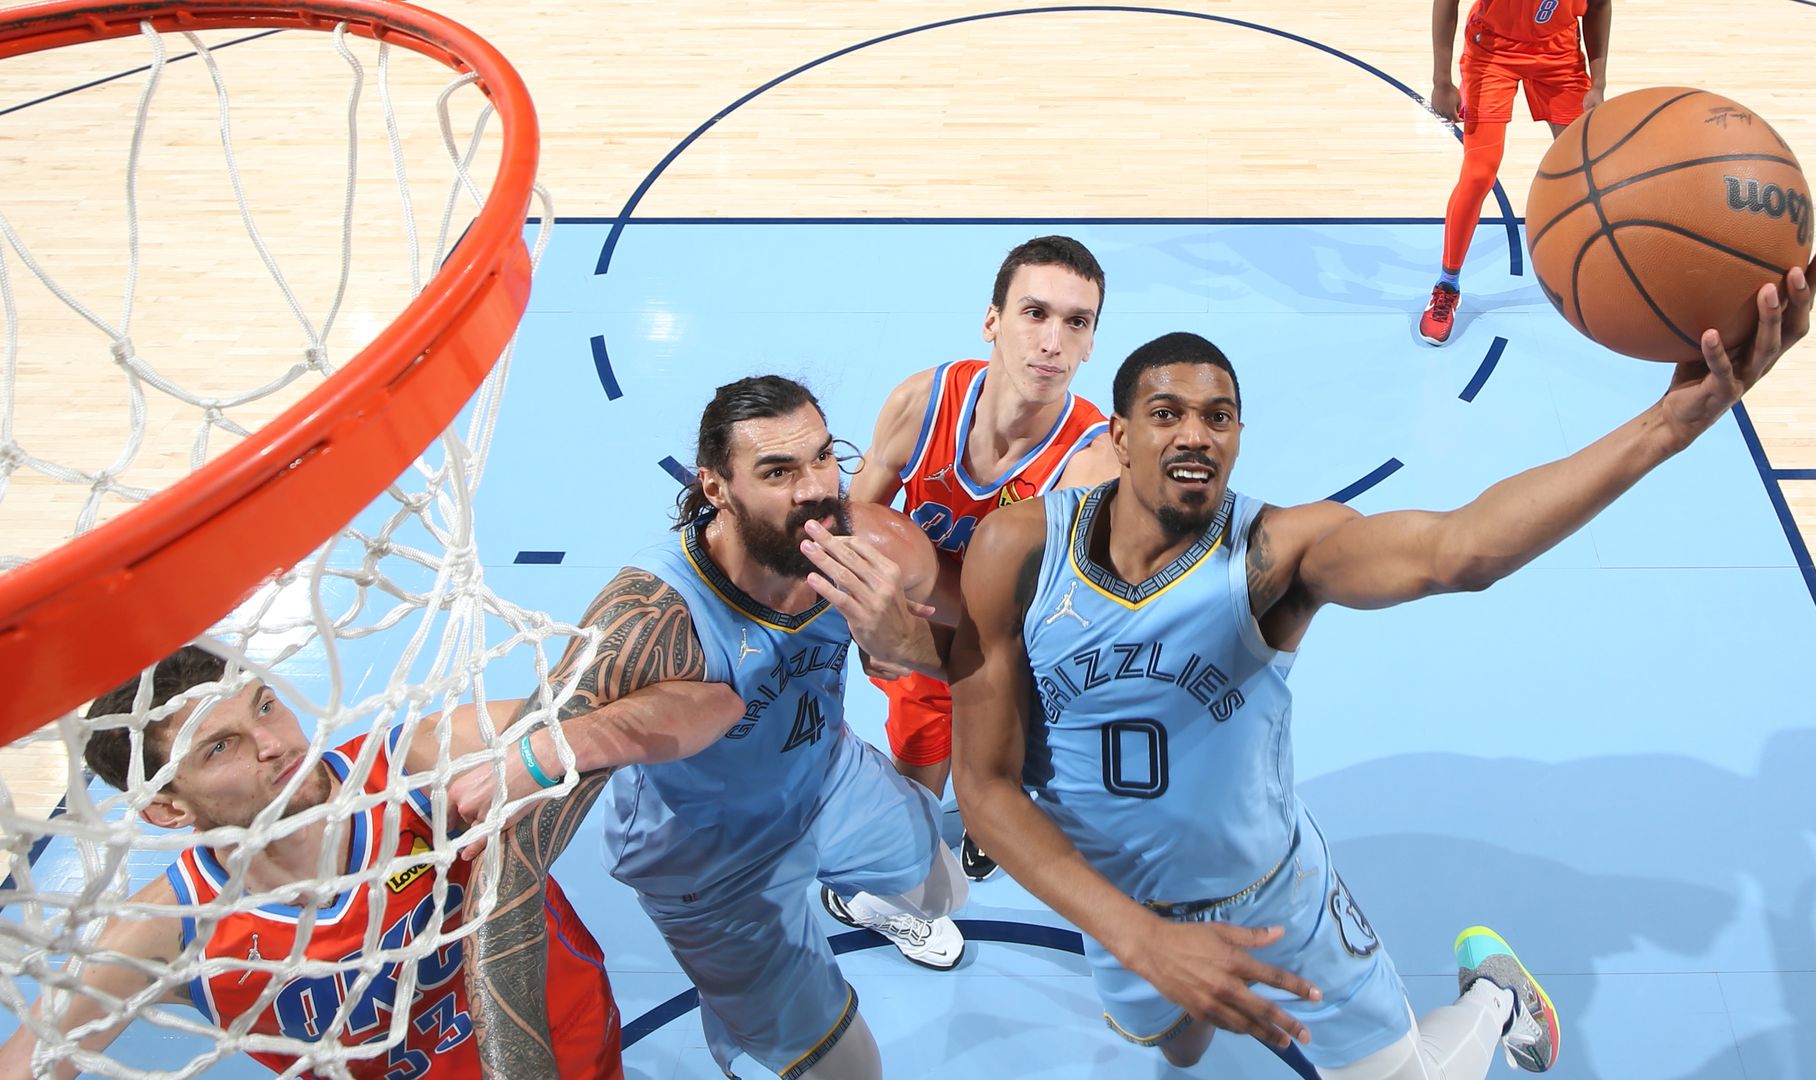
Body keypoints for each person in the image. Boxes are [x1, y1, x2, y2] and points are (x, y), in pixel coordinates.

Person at [951, 254, 1816, 1076]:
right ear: (1121, 433)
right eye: (1167, 413)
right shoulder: (1023, 548)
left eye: (1219, 418)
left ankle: (1495, 1001)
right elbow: (985, 789)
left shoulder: (1275, 553)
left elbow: (1460, 550)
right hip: (1115, 904)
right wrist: (1141, 939)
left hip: (1271, 906)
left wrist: (1668, 425)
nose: (1196, 435)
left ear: (1240, 437)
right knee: (1178, 1048)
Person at [461, 374, 972, 1080]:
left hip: (826, 777)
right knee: (849, 1072)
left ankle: (843, 901)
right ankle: (742, 1028)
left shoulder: (873, 544)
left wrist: (908, 650)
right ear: (716, 489)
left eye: (823, 458)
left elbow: (999, 650)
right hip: (711, 860)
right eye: (777, 472)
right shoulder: (647, 622)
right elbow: (507, 867)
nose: (814, 490)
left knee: (949, 891)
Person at [0, 642, 736, 1079]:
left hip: (568, 1050)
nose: (276, 742)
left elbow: (710, 704)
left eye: (262, 706)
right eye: (219, 747)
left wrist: (555, 749)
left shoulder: (419, 764)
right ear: (167, 807)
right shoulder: (174, 930)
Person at [851, 235, 1118, 880]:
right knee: (918, 779)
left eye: (1075, 322)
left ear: (1090, 343)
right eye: (1035, 313)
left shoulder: (1091, 460)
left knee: (999, 774)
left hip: (1010, 642)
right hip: (921, 630)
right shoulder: (922, 403)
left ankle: (983, 825)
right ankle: (901, 880)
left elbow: (1068, 615)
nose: (1052, 342)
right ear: (992, 321)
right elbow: (852, 523)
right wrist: (869, 625)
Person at [1421, 0, 1612, 345]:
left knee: (1584, 169)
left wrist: (1598, 83)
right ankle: (1447, 285)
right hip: (1492, 51)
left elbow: (1598, 6)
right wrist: (1441, 80)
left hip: (1558, 53)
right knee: (1479, 173)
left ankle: (1600, 273)